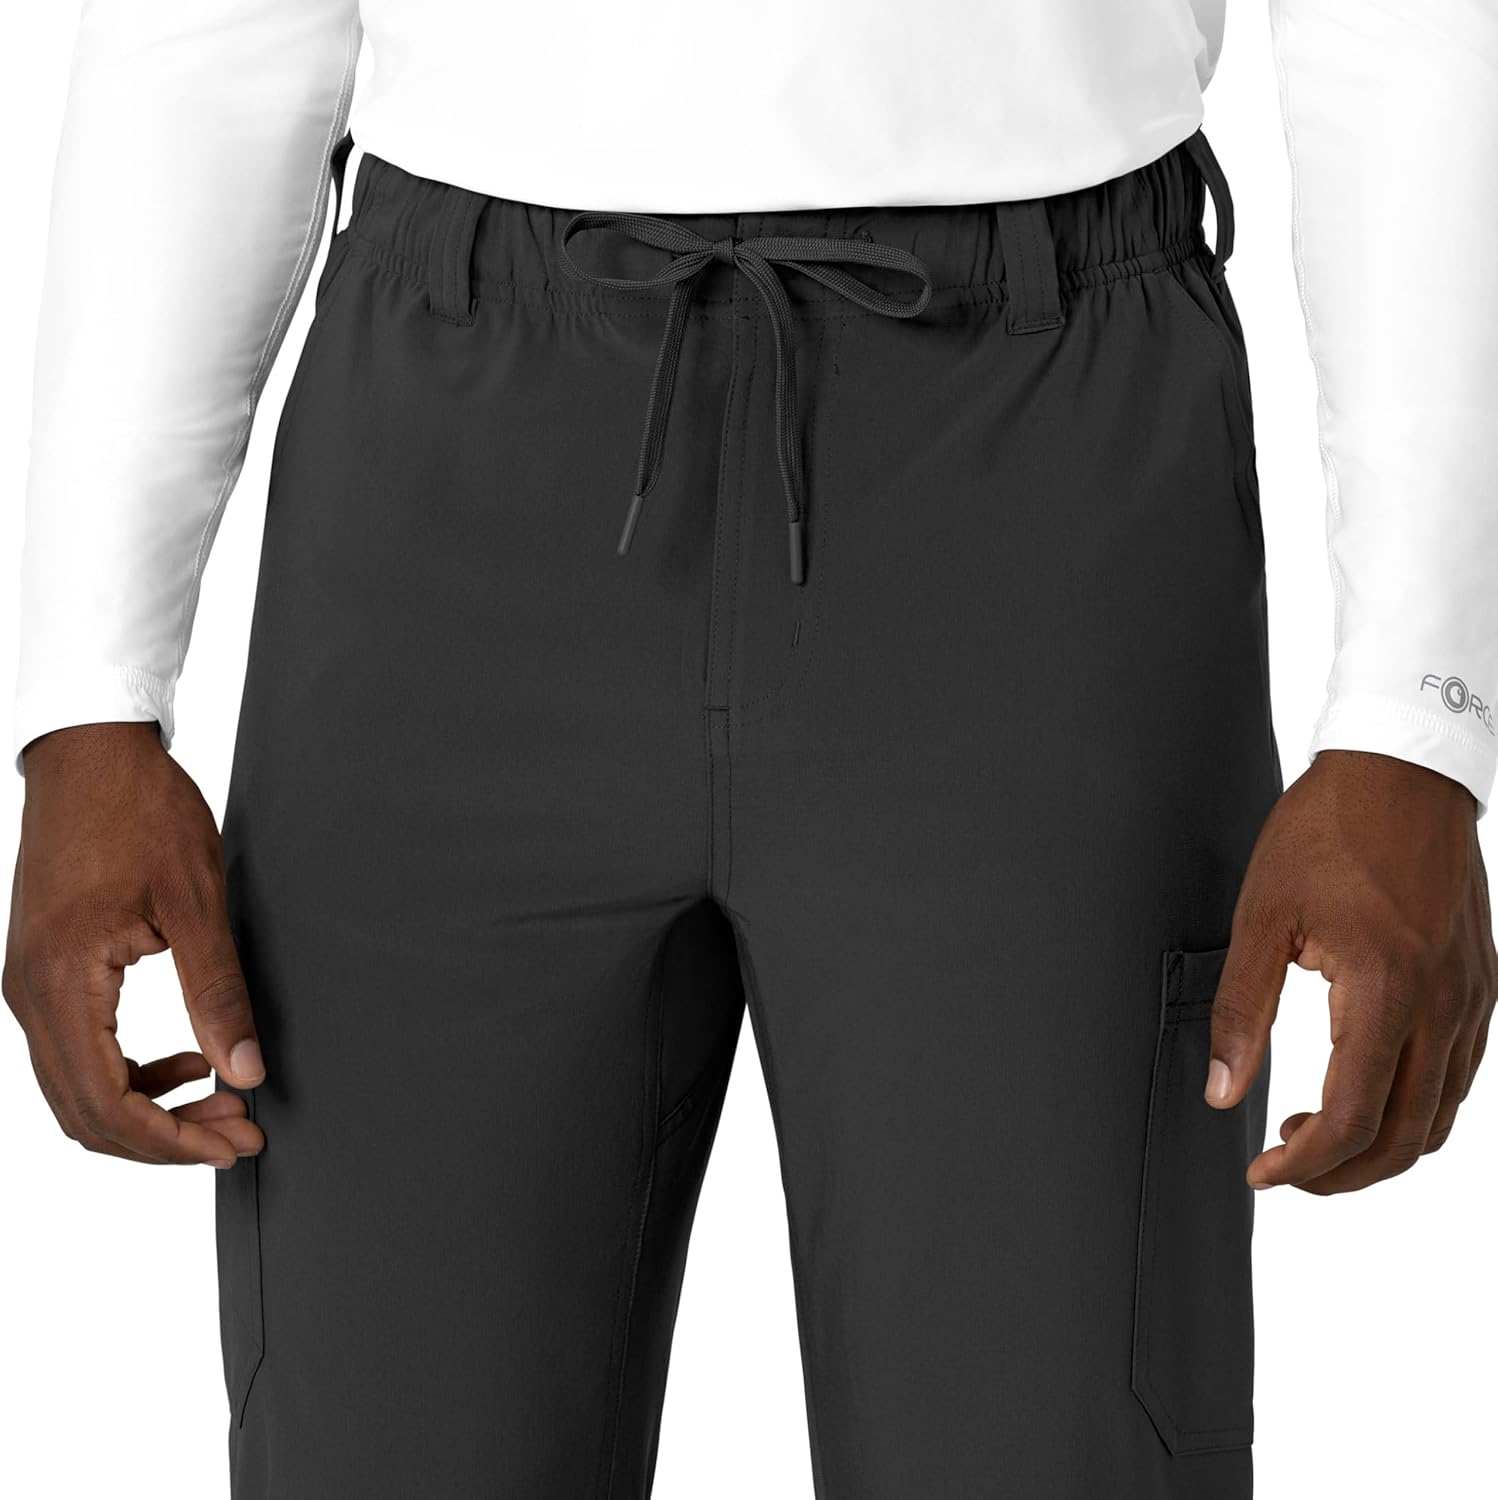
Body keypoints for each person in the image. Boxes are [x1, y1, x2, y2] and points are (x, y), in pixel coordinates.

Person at [4, 1, 1495, 1495]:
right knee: (386, 1447)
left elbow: (1406, 37)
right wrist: (87, 701)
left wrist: (1413, 721)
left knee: (1051, 1438)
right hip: (450, 490)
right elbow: (204, 33)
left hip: (1034, 479)